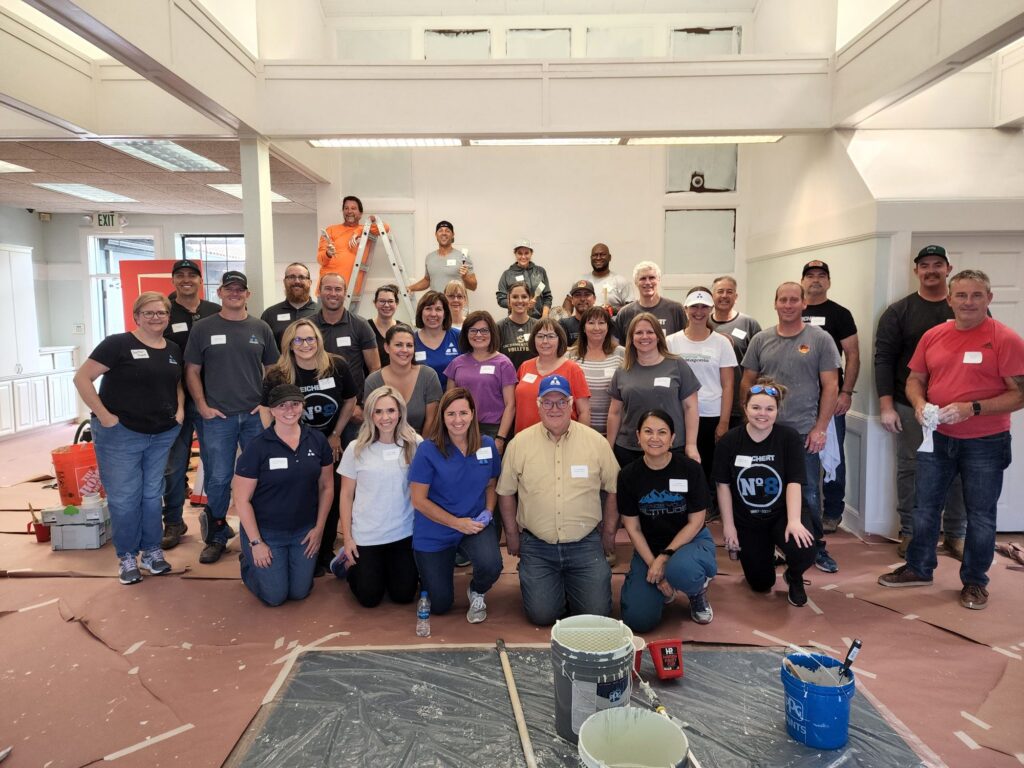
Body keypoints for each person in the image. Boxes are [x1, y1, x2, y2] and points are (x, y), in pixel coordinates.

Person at [878, 270, 1024, 611]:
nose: (968, 302)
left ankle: (975, 581)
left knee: (981, 515)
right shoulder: (933, 336)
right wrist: (919, 404)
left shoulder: (1006, 339)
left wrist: (973, 408)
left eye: (976, 295)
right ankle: (919, 567)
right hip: (937, 438)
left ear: (989, 299)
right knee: (924, 508)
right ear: (950, 299)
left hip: (985, 441)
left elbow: (1019, 395)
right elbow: (915, 379)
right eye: (961, 295)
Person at [74, 292, 183, 585]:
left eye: (161, 312)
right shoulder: (117, 344)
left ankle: (151, 552)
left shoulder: (172, 348)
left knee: (151, 495)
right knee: (124, 498)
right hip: (120, 435)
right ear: (136, 316)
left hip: (161, 434)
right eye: (148, 313)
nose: (155, 317)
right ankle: (126, 556)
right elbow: (82, 378)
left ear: (168, 317)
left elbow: (177, 383)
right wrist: (104, 415)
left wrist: (181, 411)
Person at [498, 375, 620, 625]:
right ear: (538, 405)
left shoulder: (596, 442)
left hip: (585, 545)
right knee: (542, 616)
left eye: (561, 402)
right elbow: (506, 492)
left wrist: (609, 531)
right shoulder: (519, 443)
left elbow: (614, 488)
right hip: (538, 545)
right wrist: (511, 533)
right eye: (548, 402)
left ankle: (566, 585)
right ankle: (547, 582)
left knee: (597, 616)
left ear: (572, 403)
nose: (554, 408)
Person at [740, 282, 840, 574]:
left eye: (793, 300)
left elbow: (831, 385)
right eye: (782, 299)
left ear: (803, 303)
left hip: (802, 433)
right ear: (775, 303)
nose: (788, 304)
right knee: (766, 492)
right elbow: (747, 381)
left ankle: (815, 547)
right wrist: (750, 420)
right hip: (764, 433)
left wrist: (820, 428)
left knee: (808, 494)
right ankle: (774, 545)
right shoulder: (761, 340)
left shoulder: (820, 339)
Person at [874, 245, 967, 558]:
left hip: (959, 409)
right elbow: (884, 359)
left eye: (937, 264)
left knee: (958, 470)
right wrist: (886, 406)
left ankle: (956, 534)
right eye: (924, 265)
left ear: (948, 268)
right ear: (916, 271)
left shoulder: (964, 309)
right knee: (912, 468)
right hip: (908, 404)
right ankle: (911, 533)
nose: (931, 270)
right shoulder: (900, 311)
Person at [184, 271, 278, 564]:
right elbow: (191, 371)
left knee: (260, 475)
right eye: (229, 289)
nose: (235, 293)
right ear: (219, 293)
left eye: (240, 289)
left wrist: (265, 403)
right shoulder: (203, 328)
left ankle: (260, 533)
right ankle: (216, 536)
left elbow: (273, 370)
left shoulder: (260, 328)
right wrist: (202, 405)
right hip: (217, 418)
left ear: (247, 295)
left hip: (253, 417)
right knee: (219, 477)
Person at [262, 319, 357, 575]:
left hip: (330, 442)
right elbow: (265, 408)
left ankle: (324, 550)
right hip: (293, 444)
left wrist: (336, 433)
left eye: (310, 339)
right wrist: (276, 441)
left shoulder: (336, 366)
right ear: (289, 344)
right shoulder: (278, 374)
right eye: (298, 340)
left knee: (332, 493)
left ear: (318, 341)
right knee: (302, 495)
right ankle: (301, 548)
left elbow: (350, 399)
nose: (305, 345)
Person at [713, 379, 817, 607]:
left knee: (805, 548)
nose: (763, 414)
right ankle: (766, 555)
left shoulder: (788, 438)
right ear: (745, 407)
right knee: (761, 584)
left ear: (778, 411)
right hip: (748, 520)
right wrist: (729, 526)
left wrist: (794, 521)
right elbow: (723, 486)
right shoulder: (729, 441)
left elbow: (794, 482)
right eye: (756, 407)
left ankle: (794, 576)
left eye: (769, 408)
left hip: (782, 514)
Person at [233, 384, 334, 606]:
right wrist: (256, 542)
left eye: (295, 404)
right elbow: (241, 499)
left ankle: (279, 569)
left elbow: (326, 487)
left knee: (300, 592)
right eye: (282, 405)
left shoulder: (317, 441)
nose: (289, 410)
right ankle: (247, 562)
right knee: (275, 597)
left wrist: (318, 529)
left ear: (302, 406)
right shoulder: (258, 447)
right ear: (271, 410)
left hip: (303, 532)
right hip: (267, 532)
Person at [618, 410, 718, 630]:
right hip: (650, 547)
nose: (655, 438)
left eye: (662, 432)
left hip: (690, 542)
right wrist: (653, 564)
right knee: (638, 620)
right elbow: (633, 528)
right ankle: (662, 585)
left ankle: (696, 590)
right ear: (638, 435)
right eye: (648, 431)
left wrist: (663, 560)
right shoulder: (628, 475)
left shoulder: (690, 469)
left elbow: (696, 521)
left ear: (672, 438)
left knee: (681, 569)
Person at [409, 388, 502, 622]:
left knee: (491, 565)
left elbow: (491, 485)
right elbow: (418, 500)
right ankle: (429, 576)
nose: (458, 420)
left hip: (473, 524)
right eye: (451, 414)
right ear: (442, 417)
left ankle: (477, 590)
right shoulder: (428, 450)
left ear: (472, 414)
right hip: (436, 528)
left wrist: (489, 511)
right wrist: (455, 523)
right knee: (440, 605)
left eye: (463, 413)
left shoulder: (487, 445)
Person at [334, 386, 422, 608]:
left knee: (404, 595)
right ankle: (346, 561)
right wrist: (348, 538)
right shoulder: (356, 448)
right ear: (370, 414)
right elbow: (345, 495)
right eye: (379, 411)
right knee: (369, 598)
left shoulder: (414, 444)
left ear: (400, 412)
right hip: (367, 535)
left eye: (391, 411)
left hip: (403, 533)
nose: (385, 417)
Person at [161, 259, 218, 550]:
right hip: (175, 402)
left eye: (192, 275)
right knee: (173, 466)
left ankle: (215, 523)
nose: (186, 280)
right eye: (180, 275)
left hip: (211, 401)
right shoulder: (164, 313)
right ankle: (173, 521)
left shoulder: (213, 312)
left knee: (214, 464)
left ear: (200, 281)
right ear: (173, 280)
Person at [800, 260, 860, 535]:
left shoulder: (840, 314)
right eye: (810, 276)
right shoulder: (793, 311)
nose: (815, 280)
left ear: (829, 281)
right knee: (801, 455)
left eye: (821, 276)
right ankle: (802, 510)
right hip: (800, 398)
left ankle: (833, 511)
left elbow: (853, 355)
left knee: (833, 454)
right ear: (803, 281)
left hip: (832, 396)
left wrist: (845, 392)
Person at [666, 287, 737, 501]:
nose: (699, 311)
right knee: (681, 462)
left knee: (708, 462)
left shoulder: (722, 343)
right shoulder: (671, 342)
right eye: (694, 307)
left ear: (710, 309)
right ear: (685, 309)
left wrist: (723, 422)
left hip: (711, 413)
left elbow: (728, 385)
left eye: (704, 307)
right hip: (679, 413)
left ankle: (708, 503)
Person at [607, 313, 700, 468]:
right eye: (638, 333)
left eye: (650, 332)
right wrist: (608, 447)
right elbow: (614, 412)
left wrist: (691, 445)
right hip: (629, 448)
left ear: (658, 336)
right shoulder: (622, 370)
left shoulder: (677, 365)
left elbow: (691, 407)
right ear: (631, 338)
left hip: (670, 446)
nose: (645, 337)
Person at [312, 273, 381, 444]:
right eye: (328, 288)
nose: (333, 293)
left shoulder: (360, 325)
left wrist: (364, 406)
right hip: (318, 410)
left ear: (345, 293)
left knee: (355, 464)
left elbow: (375, 369)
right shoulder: (308, 327)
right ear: (319, 292)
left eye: (338, 289)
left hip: (353, 412)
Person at [444, 311, 517, 446]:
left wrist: (500, 438)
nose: (478, 335)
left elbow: (510, 405)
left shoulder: (503, 363)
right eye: (473, 330)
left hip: (492, 430)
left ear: (492, 333)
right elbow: (449, 402)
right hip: (462, 427)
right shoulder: (456, 363)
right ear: (466, 333)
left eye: (484, 330)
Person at [514, 319, 591, 433]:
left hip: (560, 442)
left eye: (551, 336)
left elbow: (584, 411)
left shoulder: (572, 369)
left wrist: (581, 441)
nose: (545, 341)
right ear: (533, 339)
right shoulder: (525, 366)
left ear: (559, 339)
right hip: (524, 440)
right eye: (540, 336)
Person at [363, 324, 442, 434]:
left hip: (421, 444)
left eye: (409, 345)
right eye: (399, 345)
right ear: (386, 347)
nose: (404, 350)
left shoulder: (428, 376)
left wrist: (420, 448)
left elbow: (432, 421)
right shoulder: (373, 381)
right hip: (385, 445)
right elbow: (371, 422)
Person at [708, 275, 762, 428]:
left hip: (740, 405)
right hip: (710, 405)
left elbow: (760, 365)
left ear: (736, 296)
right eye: (720, 291)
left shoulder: (749, 324)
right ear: (713, 296)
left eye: (729, 292)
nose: (724, 296)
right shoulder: (703, 324)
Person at [568, 306, 624, 436]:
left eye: (601, 323)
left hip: (615, 433)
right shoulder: (570, 356)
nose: (596, 328)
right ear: (583, 327)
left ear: (608, 326)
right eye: (591, 323)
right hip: (579, 432)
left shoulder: (621, 354)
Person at [316, 194, 387, 293]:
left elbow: (385, 228)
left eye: (353, 208)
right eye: (346, 208)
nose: (349, 211)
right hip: (327, 290)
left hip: (350, 291)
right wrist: (327, 253)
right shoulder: (331, 230)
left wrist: (359, 231)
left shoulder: (366, 231)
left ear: (361, 213)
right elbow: (320, 260)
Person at [614, 261, 686, 340]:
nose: (647, 282)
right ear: (635, 282)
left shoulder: (675, 309)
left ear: (659, 280)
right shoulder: (625, 313)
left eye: (652, 278)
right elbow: (618, 345)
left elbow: (685, 339)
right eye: (643, 278)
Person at [407, 220, 477, 294]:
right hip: (436, 304)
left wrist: (465, 277)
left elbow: (473, 287)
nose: (444, 233)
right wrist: (410, 288)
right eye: (440, 231)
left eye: (447, 231)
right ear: (436, 235)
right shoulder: (430, 257)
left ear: (453, 234)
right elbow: (427, 280)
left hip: (455, 304)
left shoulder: (463, 257)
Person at [259, 262, 319, 348]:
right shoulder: (270, 314)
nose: (297, 281)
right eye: (291, 277)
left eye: (302, 277)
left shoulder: (321, 312)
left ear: (309, 282)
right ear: (284, 282)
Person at [413, 290, 461, 389]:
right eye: (428, 308)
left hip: (454, 399)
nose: (433, 314)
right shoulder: (411, 340)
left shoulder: (458, 336)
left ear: (445, 314)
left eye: (438, 309)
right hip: (423, 400)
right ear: (420, 312)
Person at [496, 239, 552, 320]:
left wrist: (544, 318)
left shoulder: (540, 272)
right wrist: (520, 304)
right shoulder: (507, 274)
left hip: (538, 320)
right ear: (515, 254)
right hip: (515, 320)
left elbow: (547, 297)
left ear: (531, 253)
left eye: (526, 253)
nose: (523, 256)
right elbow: (501, 299)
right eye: (520, 253)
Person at [497, 283, 538, 372]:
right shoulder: (499, 327)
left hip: (532, 379)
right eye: (515, 297)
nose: (520, 301)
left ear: (530, 299)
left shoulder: (538, 326)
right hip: (507, 381)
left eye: (524, 297)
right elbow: (494, 358)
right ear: (508, 300)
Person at [584, 242, 632, 314]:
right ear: (590, 258)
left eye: (602, 255)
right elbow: (569, 300)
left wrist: (612, 310)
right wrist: (566, 315)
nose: (598, 258)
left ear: (609, 257)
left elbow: (631, 307)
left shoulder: (621, 281)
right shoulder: (582, 281)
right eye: (595, 255)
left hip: (613, 324)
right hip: (585, 324)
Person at [369, 284, 400, 367]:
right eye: (382, 301)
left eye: (390, 301)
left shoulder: (402, 329)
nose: (386, 305)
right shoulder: (365, 328)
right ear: (375, 303)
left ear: (396, 304)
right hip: (373, 378)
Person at [559, 279, 596, 346]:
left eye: (587, 294)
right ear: (572, 300)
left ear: (594, 299)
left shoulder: (603, 324)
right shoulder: (563, 324)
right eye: (577, 295)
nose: (582, 299)